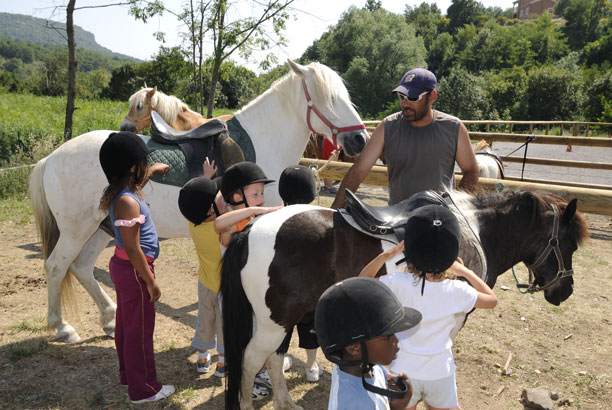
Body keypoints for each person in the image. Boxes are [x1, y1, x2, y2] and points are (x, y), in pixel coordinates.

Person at [359, 205, 498, 410]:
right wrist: (465, 271)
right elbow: (492, 299)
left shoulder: (397, 283)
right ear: (451, 250)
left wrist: (386, 256)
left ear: (411, 248)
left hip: (403, 370)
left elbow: (363, 281)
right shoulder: (458, 290)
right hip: (440, 371)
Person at [331, 68, 479, 209]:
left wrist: (455, 209)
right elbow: (358, 171)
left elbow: (471, 171)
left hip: (439, 221)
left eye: (413, 97)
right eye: (402, 97)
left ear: (432, 96)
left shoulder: (454, 128)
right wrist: (335, 212)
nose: (405, 103)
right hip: (397, 220)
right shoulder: (387, 127)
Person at [98, 131, 175, 404]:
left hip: (123, 267)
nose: (146, 165)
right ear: (132, 167)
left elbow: (138, 178)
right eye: (144, 161)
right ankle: (144, 389)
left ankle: (129, 375)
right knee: (140, 330)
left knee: (127, 326)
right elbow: (133, 248)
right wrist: (150, 281)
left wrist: (152, 169)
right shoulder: (128, 202)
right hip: (135, 270)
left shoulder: (122, 192)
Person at [214, 161, 282, 399]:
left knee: (256, 334)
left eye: (262, 193)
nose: (261, 198)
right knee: (242, 339)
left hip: (252, 293)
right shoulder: (232, 221)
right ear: (237, 195)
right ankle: (247, 381)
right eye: (256, 194)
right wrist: (256, 211)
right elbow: (218, 225)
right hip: (236, 296)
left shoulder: (254, 220)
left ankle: (260, 371)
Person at [315, 277, 422, 410]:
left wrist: (396, 404)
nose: (396, 340)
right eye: (388, 336)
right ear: (354, 348)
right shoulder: (355, 405)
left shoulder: (365, 367)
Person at [178, 163, 226, 377]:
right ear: (210, 209)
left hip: (205, 283)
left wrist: (207, 178)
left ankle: (202, 356)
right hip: (225, 286)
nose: (223, 199)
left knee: (205, 319)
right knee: (225, 323)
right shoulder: (222, 228)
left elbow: (195, 200)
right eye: (219, 198)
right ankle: (224, 359)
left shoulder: (194, 223)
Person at [277, 165, 321, 382]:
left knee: (282, 329)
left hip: (284, 291)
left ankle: (281, 358)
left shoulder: (275, 217)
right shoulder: (319, 220)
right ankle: (311, 366)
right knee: (311, 329)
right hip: (311, 292)